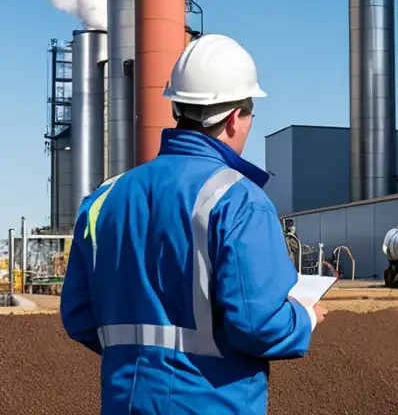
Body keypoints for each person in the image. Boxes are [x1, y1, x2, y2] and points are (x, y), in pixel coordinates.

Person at [60, 33, 327, 414]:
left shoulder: (104, 198)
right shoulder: (240, 201)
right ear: (236, 118)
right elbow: (258, 324)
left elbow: (80, 316)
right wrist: (303, 317)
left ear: (177, 109)